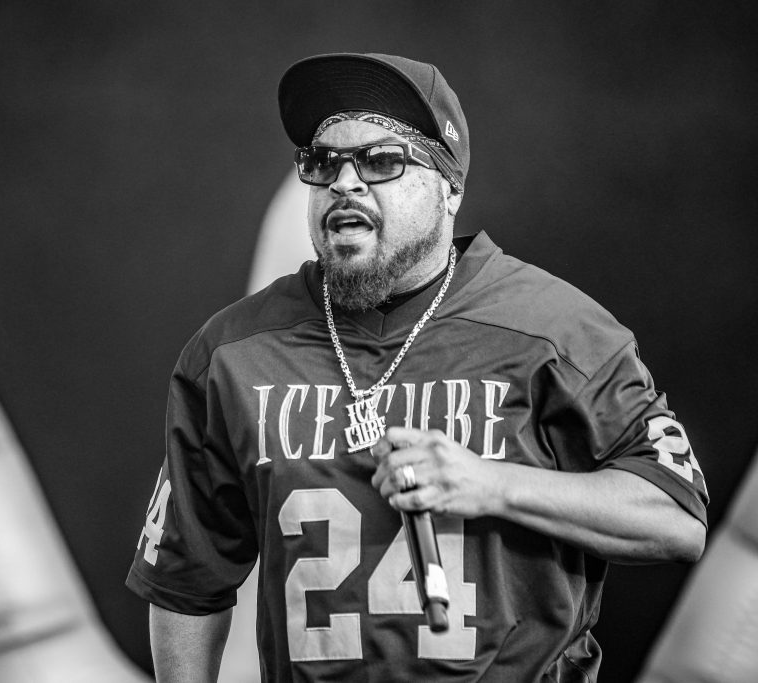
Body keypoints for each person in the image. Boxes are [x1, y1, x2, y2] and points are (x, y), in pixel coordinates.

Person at [126, 52, 709, 682]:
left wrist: (490, 484)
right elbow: (185, 583)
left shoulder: (556, 330)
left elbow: (676, 518)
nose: (344, 183)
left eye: (381, 160)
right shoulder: (231, 352)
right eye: (323, 163)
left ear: (450, 187)